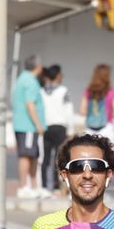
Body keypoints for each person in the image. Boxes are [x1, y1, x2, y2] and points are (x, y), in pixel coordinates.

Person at [12, 56, 46, 198]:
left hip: (25, 125)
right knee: (26, 155)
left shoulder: (22, 78)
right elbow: (30, 104)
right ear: (38, 67)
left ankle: (33, 186)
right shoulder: (30, 82)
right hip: (28, 125)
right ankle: (23, 186)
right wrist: (38, 124)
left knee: (32, 155)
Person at [42, 65, 72, 194]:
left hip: (46, 127)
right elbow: (68, 110)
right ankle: (56, 185)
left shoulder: (42, 91)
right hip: (60, 127)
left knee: (45, 157)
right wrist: (70, 129)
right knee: (59, 157)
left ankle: (44, 185)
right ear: (58, 75)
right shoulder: (63, 90)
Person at [79, 63, 114, 144]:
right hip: (107, 128)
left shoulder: (88, 92)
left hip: (89, 129)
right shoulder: (112, 92)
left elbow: (82, 111)